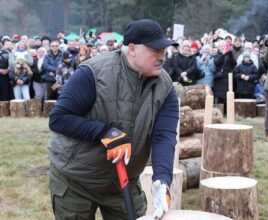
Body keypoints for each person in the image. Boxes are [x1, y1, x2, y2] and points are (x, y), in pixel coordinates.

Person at [47, 19, 179, 220]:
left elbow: (164, 136)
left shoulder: (165, 88)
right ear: (132, 49)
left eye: (164, 50)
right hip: (76, 180)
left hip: (123, 181)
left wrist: (162, 179)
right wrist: (105, 132)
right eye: (155, 50)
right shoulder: (93, 73)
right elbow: (58, 119)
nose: (162, 56)